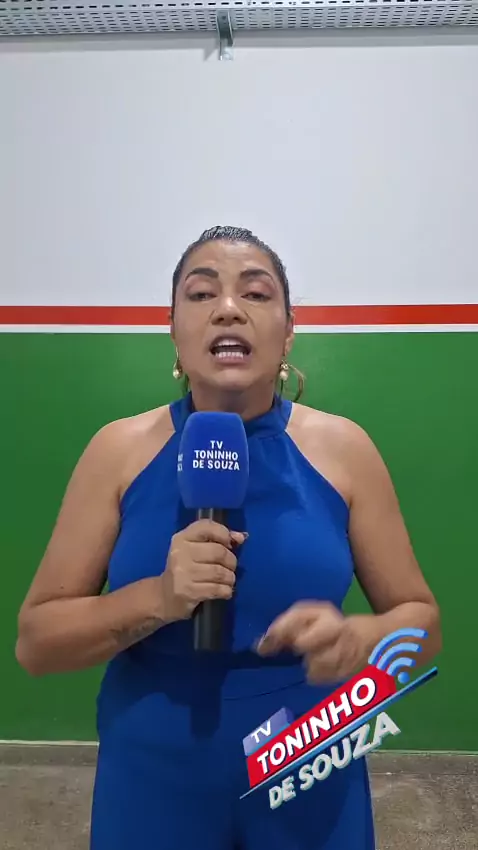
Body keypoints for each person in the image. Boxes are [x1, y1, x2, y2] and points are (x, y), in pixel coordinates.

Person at [16, 225, 441, 850]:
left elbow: (423, 621)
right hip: (154, 777)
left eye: (256, 293)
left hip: (308, 767)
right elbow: (36, 644)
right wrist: (158, 599)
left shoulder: (346, 450)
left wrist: (365, 640)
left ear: (287, 333)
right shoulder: (116, 453)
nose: (228, 308)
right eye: (201, 293)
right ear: (174, 331)